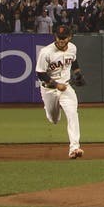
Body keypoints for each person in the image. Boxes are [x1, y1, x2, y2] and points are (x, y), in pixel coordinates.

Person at [35, 25, 86, 159]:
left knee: (72, 114)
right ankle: (49, 110)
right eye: (59, 37)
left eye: (64, 37)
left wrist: (78, 74)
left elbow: (73, 61)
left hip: (66, 88)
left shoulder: (73, 48)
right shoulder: (46, 52)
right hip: (49, 90)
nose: (61, 40)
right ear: (55, 36)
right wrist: (57, 85)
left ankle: (74, 148)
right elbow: (40, 73)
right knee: (54, 119)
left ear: (69, 37)